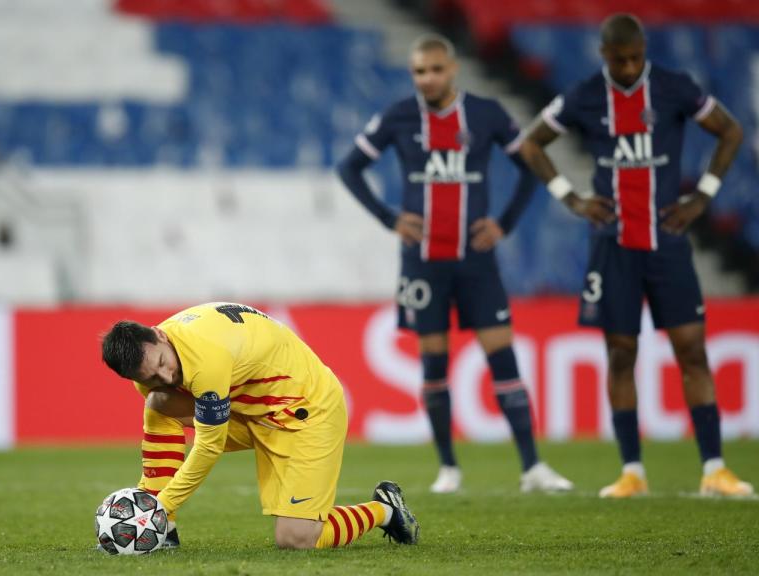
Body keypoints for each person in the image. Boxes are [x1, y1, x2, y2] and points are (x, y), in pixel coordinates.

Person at [518, 13, 753, 498]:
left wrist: (703, 195)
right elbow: (532, 143)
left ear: (644, 52)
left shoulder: (674, 87)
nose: (628, 67)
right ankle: (632, 472)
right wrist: (571, 197)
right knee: (620, 354)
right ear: (604, 56)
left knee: (692, 350)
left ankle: (715, 468)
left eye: (635, 58)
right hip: (613, 244)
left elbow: (729, 130)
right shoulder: (584, 94)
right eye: (619, 59)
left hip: (667, 240)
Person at [336, 34, 572, 494]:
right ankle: (448, 468)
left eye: (435, 70)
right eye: (419, 72)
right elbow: (349, 168)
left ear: (453, 68)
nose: (427, 79)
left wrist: (503, 223)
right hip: (423, 264)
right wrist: (389, 218)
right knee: (433, 365)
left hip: (476, 260)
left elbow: (531, 162)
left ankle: (533, 467)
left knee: (502, 357)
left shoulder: (485, 113)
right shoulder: (399, 116)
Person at [101, 302, 420, 549]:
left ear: (159, 334)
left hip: (308, 412)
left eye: (161, 364)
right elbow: (162, 392)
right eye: (150, 376)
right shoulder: (150, 374)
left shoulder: (205, 359)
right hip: (252, 411)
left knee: (296, 538)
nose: (166, 377)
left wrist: (160, 505)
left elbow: (209, 447)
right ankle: (164, 529)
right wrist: (160, 510)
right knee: (159, 403)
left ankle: (386, 510)